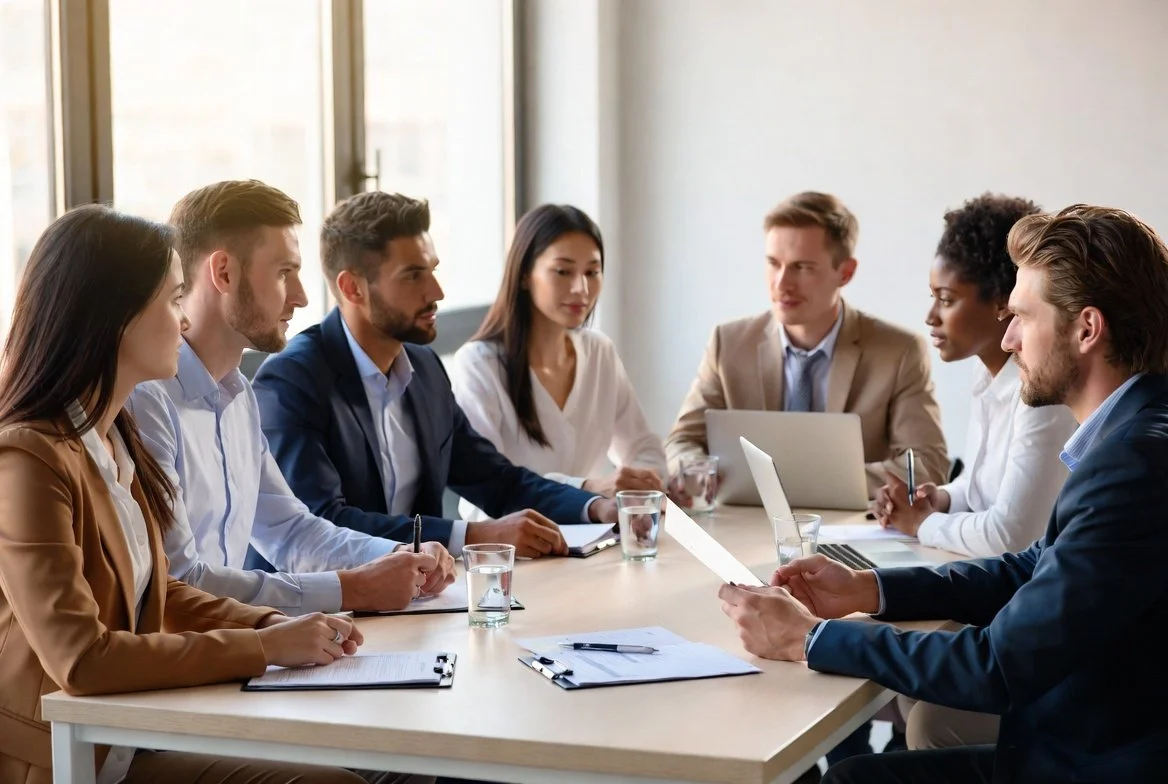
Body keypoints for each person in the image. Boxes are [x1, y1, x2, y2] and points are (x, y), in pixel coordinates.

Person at [719, 204, 1168, 783]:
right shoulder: (1132, 430)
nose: (1008, 339)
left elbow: (996, 667)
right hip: (1091, 744)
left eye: (1023, 318)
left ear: (1086, 329)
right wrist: (868, 589)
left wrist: (810, 638)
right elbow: (1033, 568)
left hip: (1092, 764)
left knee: (852, 779)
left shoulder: (1132, 462)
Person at [0, 204, 407, 784]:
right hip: (64, 760)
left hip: (133, 735)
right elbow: (82, 659)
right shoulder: (27, 459)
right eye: (171, 300)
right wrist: (264, 648)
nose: (183, 322)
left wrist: (267, 623)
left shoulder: (114, 436)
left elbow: (158, 592)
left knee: (371, 766)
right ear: (115, 318)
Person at [128, 180, 455, 617]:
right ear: (223, 272)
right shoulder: (147, 400)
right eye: (285, 272)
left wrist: (399, 555)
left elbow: (290, 531)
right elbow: (179, 583)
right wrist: (350, 589)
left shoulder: (238, 393)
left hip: (231, 650)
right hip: (182, 666)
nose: (301, 297)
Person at [251, 191, 618, 562]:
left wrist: (593, 507)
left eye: (432, 271)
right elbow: (323, 523)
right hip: (315, 607)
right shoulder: (291, 381)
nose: (436, 293)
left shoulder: (424, 369)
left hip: (413, 596)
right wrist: (473, 535)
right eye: (413, 276)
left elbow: (495, 479)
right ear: (352, 288)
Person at [871, 194, 1079, 755]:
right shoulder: (994, 383)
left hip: (1022, 628)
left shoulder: (1042, 398)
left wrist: (922, 527)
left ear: (1001, 306)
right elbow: (983, 487)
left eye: (946, 299)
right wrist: (940, 498)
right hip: (1000, 607)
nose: (930, 317)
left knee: (922, 706)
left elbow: (1012, 534)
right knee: (907, 690)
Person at [664, 191, 948, 500]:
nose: (782, 283)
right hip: (744, 524)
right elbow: (682, 441)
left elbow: (927, 465)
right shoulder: (729, 344)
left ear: (846, 272)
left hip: (849, 532)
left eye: (802, 267)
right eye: (774, 263)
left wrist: (807, 482)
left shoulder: (899, 352)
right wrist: (697, 469)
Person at [448, 203, 667, 522]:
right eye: (563, 271)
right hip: (514, 556)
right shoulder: (480, 364)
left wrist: (640, 482)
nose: (581, 288)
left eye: (592, 272)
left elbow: (645, 448)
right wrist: (589, 489)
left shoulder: (599, 352)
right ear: (524, 274)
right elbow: (484, 498)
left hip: (593, 541)